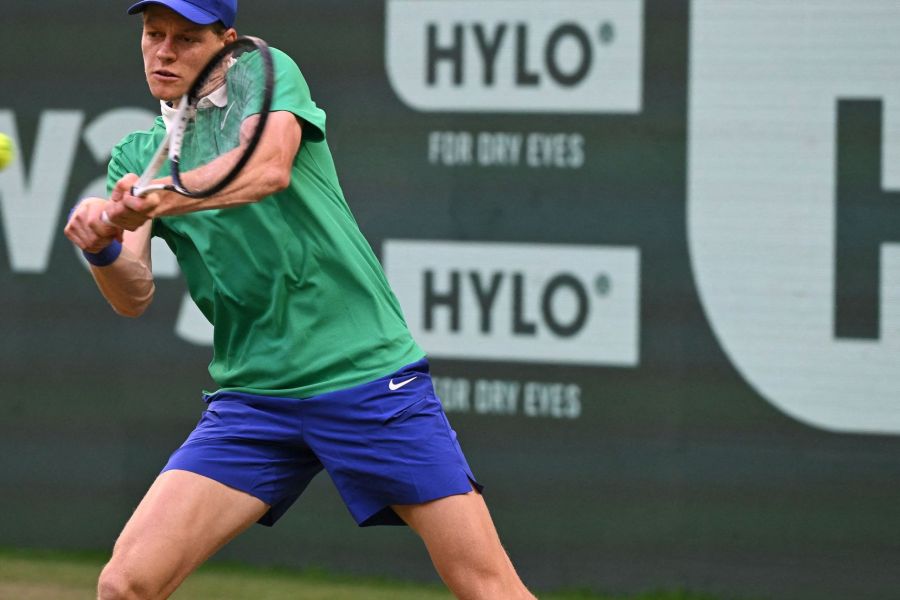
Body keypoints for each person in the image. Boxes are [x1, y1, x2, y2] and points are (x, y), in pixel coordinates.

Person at [63, 1, 536, 599]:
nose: (164, 51)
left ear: (226, 42)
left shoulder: (266, 74)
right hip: (254, 399)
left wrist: (162, 198)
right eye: (154, 35)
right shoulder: (136, 155)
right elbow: (133, 294)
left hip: (366, 377)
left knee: (486, 586)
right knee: (125, 584)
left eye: (186, 38)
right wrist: (102, 247)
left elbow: (268, 168)